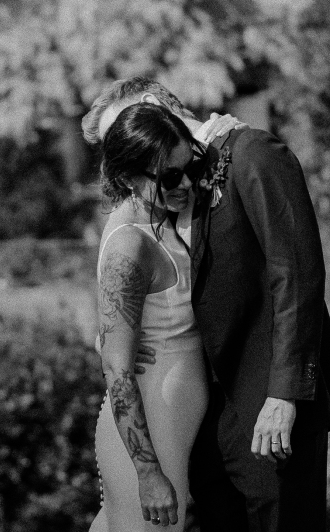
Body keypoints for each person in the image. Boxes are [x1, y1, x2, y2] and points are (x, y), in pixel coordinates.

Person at [82, 78, 330, 532]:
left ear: (154, 108)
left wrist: (284, 394)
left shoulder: (250, 155)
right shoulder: (151, 204)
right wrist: (111, 340)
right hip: (204, 424)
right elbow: (130, 303)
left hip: (268, 409)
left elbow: (297, 277)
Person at [88, 102, 243, 532]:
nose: (186, 184)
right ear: (127, 179)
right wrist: (148, 473)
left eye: (189, 167)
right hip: (150, 435)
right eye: (169, 177)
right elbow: (117, 369)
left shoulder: (168, 220)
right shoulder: (130, 246)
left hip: (174, 424)